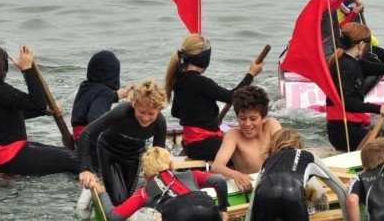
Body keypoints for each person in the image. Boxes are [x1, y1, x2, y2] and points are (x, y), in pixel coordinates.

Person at [91, 146, 230, 221]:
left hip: (177, 214)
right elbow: (219, 180)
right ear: (171, 165)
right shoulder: (190, 174)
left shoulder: (143, 192)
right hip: (205, 205)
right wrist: (223, 210)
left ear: (145, 176)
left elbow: (113, 217)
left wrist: (101, 191)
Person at [0, 43, 78, 176]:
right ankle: (98, 184)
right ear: (1, 69)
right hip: (10, 157)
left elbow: (13, 114)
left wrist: (44, 111)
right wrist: (27, 69)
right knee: (74, 160)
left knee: (66, 153)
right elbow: (38, 102)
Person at [324, 23, 384, 162]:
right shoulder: (344, 67)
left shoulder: (355, 62)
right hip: (345, 133)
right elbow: (346, 102)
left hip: (350, 127)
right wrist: (379, 109)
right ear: (362, 45)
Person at [243, 129, 350, 221]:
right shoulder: (308, 156)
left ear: (273, 145)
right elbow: (341, 190)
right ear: (298, 144)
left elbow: (252, 205)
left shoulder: (268, 161)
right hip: (292, 198)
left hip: (263, 198)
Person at [165, 34, 263, 162]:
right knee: (247, 152)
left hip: (190, 144)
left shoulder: (179, 80)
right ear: (205, 58)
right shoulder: (200, 82)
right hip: (204, 144)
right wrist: (251, 74)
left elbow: (176, 112)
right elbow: (232, 97)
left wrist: (202, 117)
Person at [76, 79, 168, 204]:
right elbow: (86, 133)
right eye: (141, 112)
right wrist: (84, 169)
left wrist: (159, 177)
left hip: (135, 155)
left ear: (159, 110)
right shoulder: (122, 112)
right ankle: (94, 187)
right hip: (110, 153)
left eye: (151, 113)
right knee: (119, 201)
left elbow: (158, 154)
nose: (146, 118)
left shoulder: (160, 122)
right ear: (134, 105)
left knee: (128, 200)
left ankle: (106, 188)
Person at [211, 85, 282, 192]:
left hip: (276, 184)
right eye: (242, 118)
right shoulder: (233, 135)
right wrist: (234, 174)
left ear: (263, 118)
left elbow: (288, 154)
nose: (247, 124)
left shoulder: (272, 125)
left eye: (253, 119)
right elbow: (216, 167)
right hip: (251, 189)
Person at [70, 50, 128, 142]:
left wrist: (118, 95)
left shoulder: (85, 86)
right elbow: (96, 119)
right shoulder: (105, 93)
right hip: (89, 140)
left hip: (78, 136)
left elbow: (98, 97)